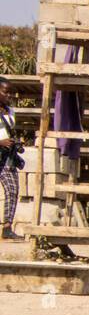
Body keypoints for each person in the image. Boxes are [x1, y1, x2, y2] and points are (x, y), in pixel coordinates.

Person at [0, 79, 22, 240]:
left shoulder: (10, 111)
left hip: (7, 156)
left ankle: (7, 227)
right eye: (5, 92)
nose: (9, 95)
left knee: (12, 189)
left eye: (10, 92)